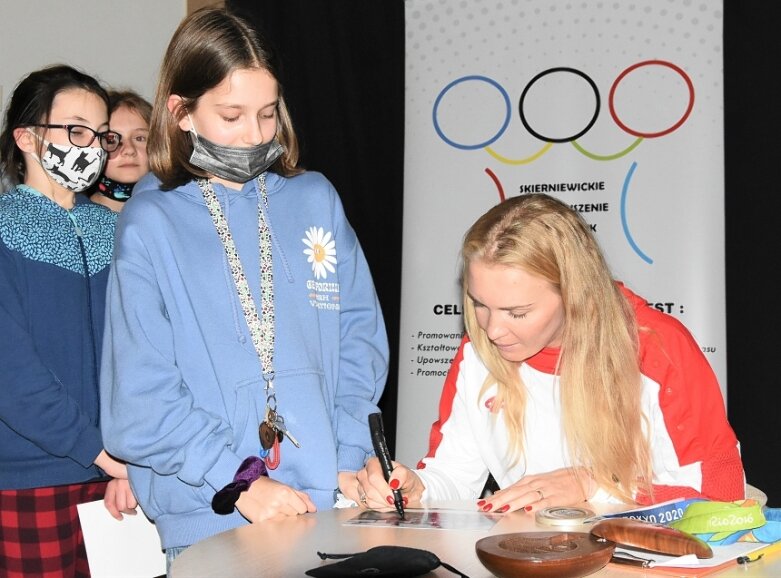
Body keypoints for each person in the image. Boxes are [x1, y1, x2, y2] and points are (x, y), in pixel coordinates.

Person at [99, 7, 389, 570]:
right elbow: (139, 398)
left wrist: (348, 453)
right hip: (211, 514)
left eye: (266, 114)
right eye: (231, 116)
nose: (255, 137)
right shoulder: (151, 221)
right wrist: (239, 483)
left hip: (328, 500)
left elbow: (360, 339)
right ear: (181, 111)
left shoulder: (315, 200)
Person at [356, 193, 745, 514]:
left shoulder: (660, 349)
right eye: (478, 303)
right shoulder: (478, 352)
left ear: (573, 294)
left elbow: (724, 496)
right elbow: (455, 474)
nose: (492, 330)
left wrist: (593, 484)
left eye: (518, 312)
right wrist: (415, 489)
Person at [0, 64, 136, 577]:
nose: (94, 147)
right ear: (28, 137)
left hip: (117, 477)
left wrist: (129, 457)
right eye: (75, 130)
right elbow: (12, 375)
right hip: (32, 476)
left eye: (101, 135)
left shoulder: (116, 229)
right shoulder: (3, 228)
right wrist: (100, 451)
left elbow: (138, 352)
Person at [90, 89, 152, 212]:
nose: (129, 150)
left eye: (140, 138)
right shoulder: (77, 219)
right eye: (111, 140)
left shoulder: (171, 212)